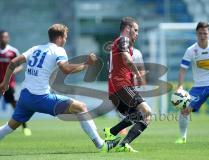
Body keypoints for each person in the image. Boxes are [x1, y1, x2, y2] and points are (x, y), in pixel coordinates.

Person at [0, 24, 120, 152]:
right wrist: (86, 64)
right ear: (60, 37)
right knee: (81, 107)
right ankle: (101, 145)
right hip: (40, 97)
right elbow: (66, 69)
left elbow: (13, 63)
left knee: (10, 126)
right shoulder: (58, 50)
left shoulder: (36, 48)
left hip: (25, 96)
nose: (65, 40)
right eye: (65, 37)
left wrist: (5, 83)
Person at [105, 17, 152, 152]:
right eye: (135, 30)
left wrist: (133, 78)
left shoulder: (120, 44)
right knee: (147, 112)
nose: (137, 33)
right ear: (127, 29)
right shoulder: (122, 40)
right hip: (121, 85)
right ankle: (124, 144)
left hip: (115, 88)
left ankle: (112, 132)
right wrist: (137, 74)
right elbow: (127, 59)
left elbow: (119, 65)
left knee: (139, 115)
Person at [0, 30, 32, 136]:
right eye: (2, 37)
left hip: (9, 84)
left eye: (5, 37)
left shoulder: (13, 51)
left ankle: (24, 127)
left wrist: (13, 71)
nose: (4, 39)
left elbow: (20, 65)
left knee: (15, 105)